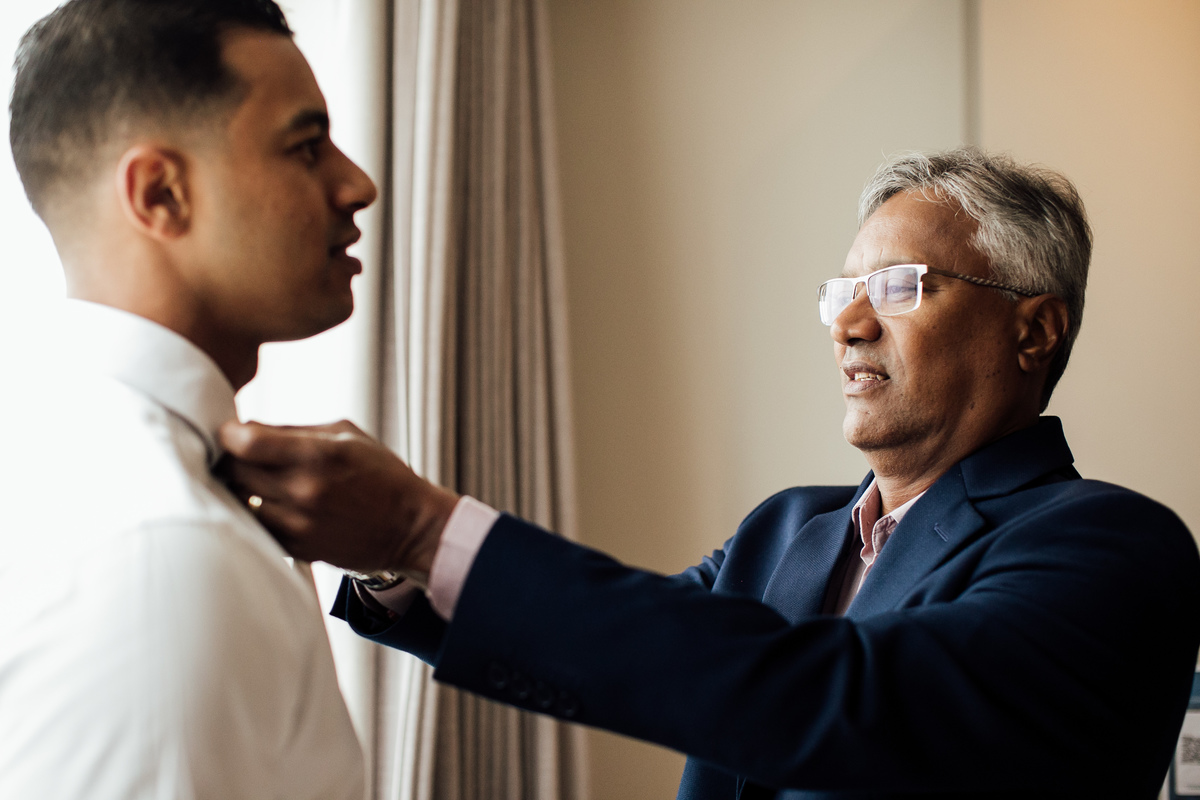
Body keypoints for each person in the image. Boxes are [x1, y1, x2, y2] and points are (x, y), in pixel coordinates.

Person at [220, 149, 1200, 799]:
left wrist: (424, 528)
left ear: (1034, 328)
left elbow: (840, 697)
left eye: (900, 287)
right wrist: (396, 565)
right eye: (842, 293)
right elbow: (625, 643)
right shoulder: (788, 528)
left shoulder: (1114, 545)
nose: (851, 325)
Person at [0, 1, 377, 798]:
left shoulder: (65, 457)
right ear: (160, 194)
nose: (358, 184)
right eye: (307, 147)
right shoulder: (160, 558)